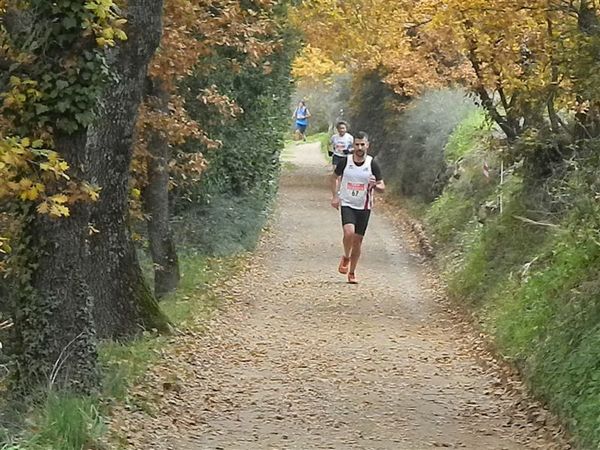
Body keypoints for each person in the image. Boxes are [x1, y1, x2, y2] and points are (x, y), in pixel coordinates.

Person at [330, 131, 385, 284]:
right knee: (349, 233)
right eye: (357, 144)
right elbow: (333, 177)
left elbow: (382, 186)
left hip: (364, 206)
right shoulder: (345, 162)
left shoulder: (372, 164)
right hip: (347, 203)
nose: (359, 147)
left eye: (362, 144)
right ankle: (346, 257)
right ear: (353, 145)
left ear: (367, 145)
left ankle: (352, 272)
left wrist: (376, 185)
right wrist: (335, 196)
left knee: (358, 241)